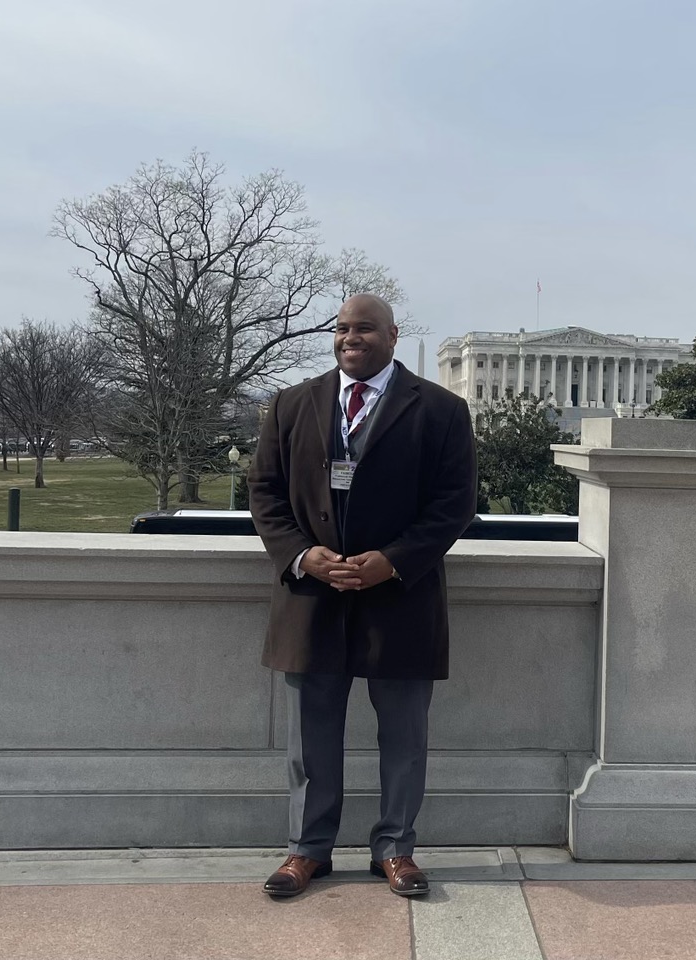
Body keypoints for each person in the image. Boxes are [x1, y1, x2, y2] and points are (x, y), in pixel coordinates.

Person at [248, 293, 477, 899]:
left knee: (404, 736)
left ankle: (396, 849)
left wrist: (391, 563)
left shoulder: (442, 410)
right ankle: (307, 850)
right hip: (310, 598)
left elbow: (454, 505)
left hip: (400, 599)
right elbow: (265, 495)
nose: (351, 337)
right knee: (311, 737)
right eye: (343, 328)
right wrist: (303, 556)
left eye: (365, 328)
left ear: (394, 336)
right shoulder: (292, 404)